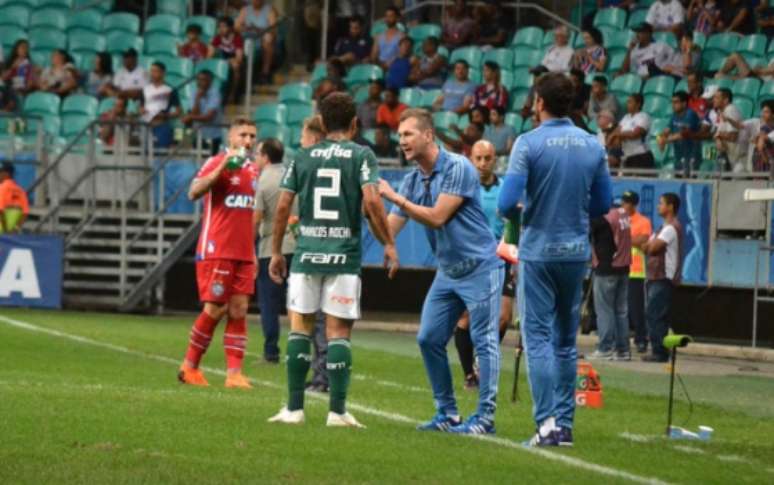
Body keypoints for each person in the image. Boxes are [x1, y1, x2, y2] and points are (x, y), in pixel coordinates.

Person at [267, 92, 398, 427]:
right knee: (338, 332)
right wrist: (388, 243)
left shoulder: (302, 156)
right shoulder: (362, 155)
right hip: (344, 257)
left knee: (300, 330)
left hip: (307, 255)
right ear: (354, 124)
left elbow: (283, 206)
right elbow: (372, 202)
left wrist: (277, 250)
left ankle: (294, 409)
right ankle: (337, 412)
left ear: (322, 123)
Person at [497, 72, 612, 446]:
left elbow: (504, 204)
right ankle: (564, 426)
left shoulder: (528, 144)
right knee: (565, 341)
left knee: (539, 339)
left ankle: (545, 424)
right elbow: (602, 204)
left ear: (539, 103)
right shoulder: (592, 144)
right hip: (575, 252)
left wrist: (526, 214)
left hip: (539, 251)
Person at [378, 108, 503, 435]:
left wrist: (394, 198)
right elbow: (390, 227)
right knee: (429, 338)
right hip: (448, 272)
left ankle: (485, 418)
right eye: (400, 135)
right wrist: (369, 209)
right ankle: (448, 413)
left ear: (428, 135)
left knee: (484, 340)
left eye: (407, 134)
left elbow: (437, 217)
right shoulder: (412, 179)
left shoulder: (459, 167)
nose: (401, 141)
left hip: (480, 267)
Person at [177, 118, 260, 388]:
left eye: (252, 136)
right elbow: (193, 191)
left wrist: (254, 252)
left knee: (239, 309)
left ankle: (234, 374)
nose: (248, 141)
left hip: (244, 252)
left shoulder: (253, 170)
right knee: (215, 308)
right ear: (231, 137)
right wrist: (223, 167)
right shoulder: (217, 162)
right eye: (243, 135)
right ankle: (189, 367)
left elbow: (249, 214)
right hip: (218, 249)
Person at [453, 140, 516, 390]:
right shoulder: (463, 189)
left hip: (500, 259)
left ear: (494, 160)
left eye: (487, 158)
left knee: (503, 317)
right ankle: (469, 373)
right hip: (471, 260)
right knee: (467, 317)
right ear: (470, 159)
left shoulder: (505, 190)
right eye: (477, 158)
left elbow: (512, 223)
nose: (482, 163)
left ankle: (482, 360)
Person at [292, 116, 331, 393]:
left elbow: (286, 205)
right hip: (340, 250)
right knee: (328, 320)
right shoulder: (344, 161)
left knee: (319, 320)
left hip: (317, 249)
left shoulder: (306, 165)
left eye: (303, 136)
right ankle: (325, 377)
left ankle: (323, 378)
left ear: (315, 139)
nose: (300, 142)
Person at [253, 138, 292, 365]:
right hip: (296, 244)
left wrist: (250, 247)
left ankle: (271, 352)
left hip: (270, 248)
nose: (256, 158)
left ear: (266, 157)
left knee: (269, 304)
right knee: (299, 303)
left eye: (258, 154)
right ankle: (303, 351)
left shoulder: (264, 182)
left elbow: (256, 218)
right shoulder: (290, 175)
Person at [642, 193, 683, 363]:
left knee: (656, 314)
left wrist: (649, 245)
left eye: (661, 203)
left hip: (662, 277)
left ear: (671, 206)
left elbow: (652, 248)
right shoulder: (662, 228)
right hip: (655, 277)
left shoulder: (670, 228)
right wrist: (648, 245)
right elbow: (646, 246)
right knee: (657, 314)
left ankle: (659, 352)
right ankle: (661, 349)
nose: (659, 206)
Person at [588, 205, 632, 361]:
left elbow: (584, 231)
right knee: (621, 311)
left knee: (604, 310)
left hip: (606, 268)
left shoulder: (601, 219)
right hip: (623, 268)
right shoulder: (622, 213)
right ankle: (623, 350)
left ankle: (605, 347)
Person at [621, 191, 652, 354]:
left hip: (636, 272)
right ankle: (621, 340)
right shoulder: (620, 219)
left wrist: (623, 238)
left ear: (634, 205)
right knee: (620, 309)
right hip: (619, 269)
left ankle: (641, 340)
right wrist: (633, 239)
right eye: (623, 201)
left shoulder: (643, 221)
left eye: (627, 202)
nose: (624, 205)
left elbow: (644, 241)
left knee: (636, 309)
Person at [657, 91, 701, 175]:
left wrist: (665, 140)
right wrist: (659, 138)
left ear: (684, 104)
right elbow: (666, 131)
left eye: (676, 102)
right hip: (678, 157)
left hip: (692, 157)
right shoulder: (674, 115)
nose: (673, 105)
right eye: (672, 102)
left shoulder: (690, 114)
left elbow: (683, 134)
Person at [235, 0, 279, 84]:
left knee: (268, 38)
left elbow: (273, 28)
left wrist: (258, 30)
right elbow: (237, 26)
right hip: (247, 36)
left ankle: (265, 72)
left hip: (262, 37)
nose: (255, 1)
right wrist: (247, 28)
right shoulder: (245, 10)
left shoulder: (269, 10)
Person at [181, 70, 223, 155]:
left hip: (213, 136)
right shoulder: (195, 93)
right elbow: (194, 114)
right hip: (198, 134)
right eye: (198, 79)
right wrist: (197, 100)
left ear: (210, 81)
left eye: (203, 80)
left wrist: (190, 117)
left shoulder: (215, 94)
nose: (200, 82)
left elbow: (209, 117)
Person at [140, 62, 181, 148]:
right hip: (147, 123)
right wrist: (142, 111)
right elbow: (141, 107)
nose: (152, 74)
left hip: (162, 123)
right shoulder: (145, 89)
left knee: (162, 151)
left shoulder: (170, 90)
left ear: (163, 73)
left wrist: (165, 115)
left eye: (155, 71)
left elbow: (178, 111)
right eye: (151, 71)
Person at [612, 94, 654, 169]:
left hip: (641, 155)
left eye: (630, 102)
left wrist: (619, 135)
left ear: (638, 104)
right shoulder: (626, 117)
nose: (627, 104)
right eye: (627, 102)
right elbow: (615, 134)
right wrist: (621, 135)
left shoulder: (644, 116)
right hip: (628, 156)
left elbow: (634, 134)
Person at [211, 16, 244, 103]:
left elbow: (239, 58)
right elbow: (209, 55)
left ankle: (232, 94)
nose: (221, 29)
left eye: (224, 26)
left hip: (232, 61)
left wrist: (228, 61)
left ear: (230, 28)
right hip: (221, 61)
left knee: (236, 66)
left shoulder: (237, 38)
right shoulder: (217, 38)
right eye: (220, 26)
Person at [711, 88, 745, 172]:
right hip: (729, 157)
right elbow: (718, 134)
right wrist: (718, 138)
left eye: (717, 98)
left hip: (738, 161)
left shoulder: (731, 110)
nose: (713, 100)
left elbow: (733, 136)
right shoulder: (722, 112)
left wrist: (718, 135)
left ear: (726, 100)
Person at [371, 6, 405, 71]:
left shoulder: (402, 37)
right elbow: (373, 56)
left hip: (395, 68)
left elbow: (402, 55)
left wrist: (391, 63)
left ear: (397, 18)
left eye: (391, 16)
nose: (388, 19)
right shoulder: (379, 37)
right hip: (379, 68)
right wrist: (381, 65)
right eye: (386, 16)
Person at [0, 162, 29, 233]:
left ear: (6, 174)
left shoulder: (2, 188)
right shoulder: (21, 190)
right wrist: (16, 228)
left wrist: (5, 229)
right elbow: (25, 213)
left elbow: (0, 211)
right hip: (13, 234)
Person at [752, 100, 774, 174]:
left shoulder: (765, 128)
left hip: (765, 164)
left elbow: (760, 147)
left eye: (766, 112)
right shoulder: (763, 128)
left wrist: (766, 161)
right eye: (762, 112)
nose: (763, 114)